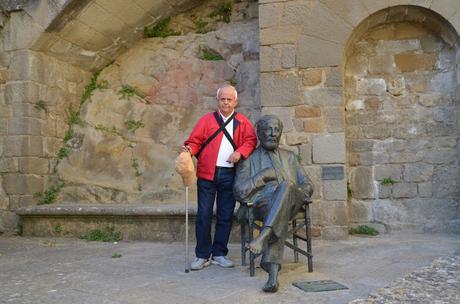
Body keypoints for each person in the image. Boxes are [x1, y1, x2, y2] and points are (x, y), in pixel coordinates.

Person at [233, 115, 314, 292]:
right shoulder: (248, 159)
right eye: (268, 129)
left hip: (294, 201)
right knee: (279, 212)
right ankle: (273, 275)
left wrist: (297, 192)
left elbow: (308, 184)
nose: (273, 133)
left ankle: (263, 238)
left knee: (287, 186)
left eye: (277, 130)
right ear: (259, 133)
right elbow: (239, 191)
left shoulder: (290, 157)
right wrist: (262, 176)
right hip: (264, 204)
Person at [182, 85, 257, 270]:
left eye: (229, 99)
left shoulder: (242, 122)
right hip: (207, 173)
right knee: (204, 215)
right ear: (218, 101)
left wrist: (240, 152)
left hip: (230, 174)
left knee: (225, 215)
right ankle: (202, 255)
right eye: (222, 99)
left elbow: (251, 140)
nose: (225, 102)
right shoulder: (206, 120)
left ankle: (219, 253)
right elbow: (195, 141)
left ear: (235, 102)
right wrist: (189, 150)